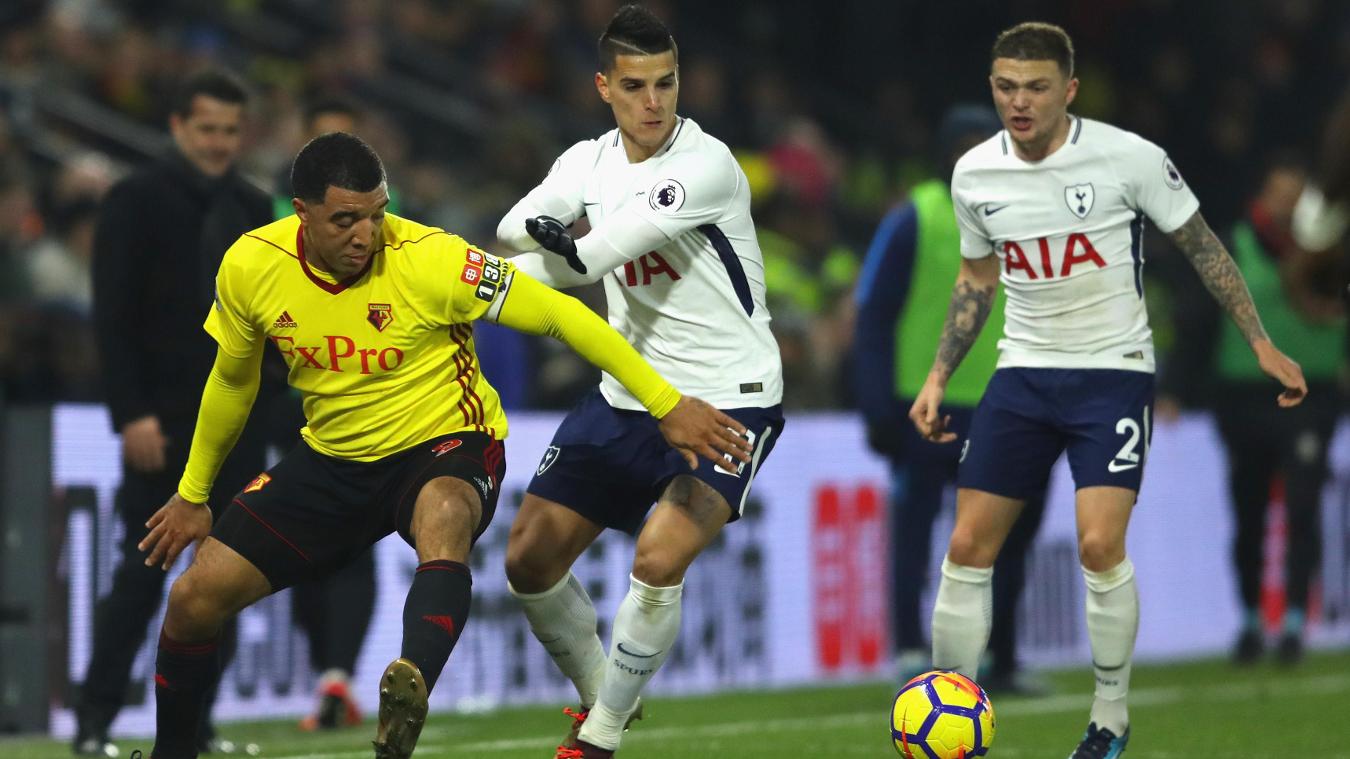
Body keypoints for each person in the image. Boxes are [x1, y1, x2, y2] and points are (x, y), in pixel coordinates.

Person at [136, 131, 750, 759]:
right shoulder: (250, 265)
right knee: (192, 600)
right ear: (301, 213)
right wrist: (193, 494)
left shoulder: (434, 259)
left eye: (376, 215)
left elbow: (566, 317)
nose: (365, 234)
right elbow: (231, 380)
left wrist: (666, 404)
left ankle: (407, 696)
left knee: (446, 515)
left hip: (447, 440)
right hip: (333, 458)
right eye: (345, 219)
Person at [908, 22, 1308, 759]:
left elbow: (1202, 246)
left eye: (1034, 87)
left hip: (1113, 373)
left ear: (1069, 89)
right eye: (1005, 87)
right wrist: (938, 374)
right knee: (966, 544)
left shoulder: (1129, 158)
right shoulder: (975, 175)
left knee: (1098, 544)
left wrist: (1259, 340)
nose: (1018, 103)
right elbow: (975, 280)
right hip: (1022, 373)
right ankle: (951, 715)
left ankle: (1109, 718)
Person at [496, 6, 783, 758]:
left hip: (729, 397)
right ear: (603, 87)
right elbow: (512, 228)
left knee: (656, 559)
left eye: (667, 83)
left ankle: (600, 737)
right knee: (527, 559)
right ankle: (602, 688)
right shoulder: (586, 162)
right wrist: (497, 272)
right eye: (635, 86)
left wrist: (530, 261)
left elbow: (588, 260)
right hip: (629, 392)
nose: (654, 102)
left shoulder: (705, 165)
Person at [80, 68, 273, 758]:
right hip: (160, 427)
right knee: (139, 577)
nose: (220, 143)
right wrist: (130, 413)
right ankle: (94, 722)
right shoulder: (133, 201)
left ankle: (195, 725)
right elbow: (113, 318)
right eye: (207, 129)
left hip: (238, 430)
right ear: (177, 128)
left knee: (218, 583)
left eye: (230, 130)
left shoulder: (255, 208)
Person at [852, 104, 1048, 695]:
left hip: (1010, 405)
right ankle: (911, 650)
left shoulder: (1026, 219)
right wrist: (876, 404)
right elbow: (874, 314)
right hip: (926, 404)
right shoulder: (917, 217)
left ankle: (1001, 657)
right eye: (959, 144)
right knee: (915, 532)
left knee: (1012, 537)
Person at [1160, 157, 1344, 666]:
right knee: (1249, 509)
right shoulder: (1233, 248)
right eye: (1280, 191)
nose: (1288, 202)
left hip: (1314, 393)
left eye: (1297, 192)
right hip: (1244, 396)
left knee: (1304, 506)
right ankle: (1247, 618)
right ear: (1263, 195)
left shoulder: (1328, 249)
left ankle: (1290, 626)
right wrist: (1174, 386)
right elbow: (1196, 320)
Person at [270, 93, 381, 733]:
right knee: (294, 541)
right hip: (287, 402)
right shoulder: (271, 228)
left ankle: (335, 676)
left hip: (360, 405)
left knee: (352, 546)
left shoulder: (389, 227)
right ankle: (326, 673)